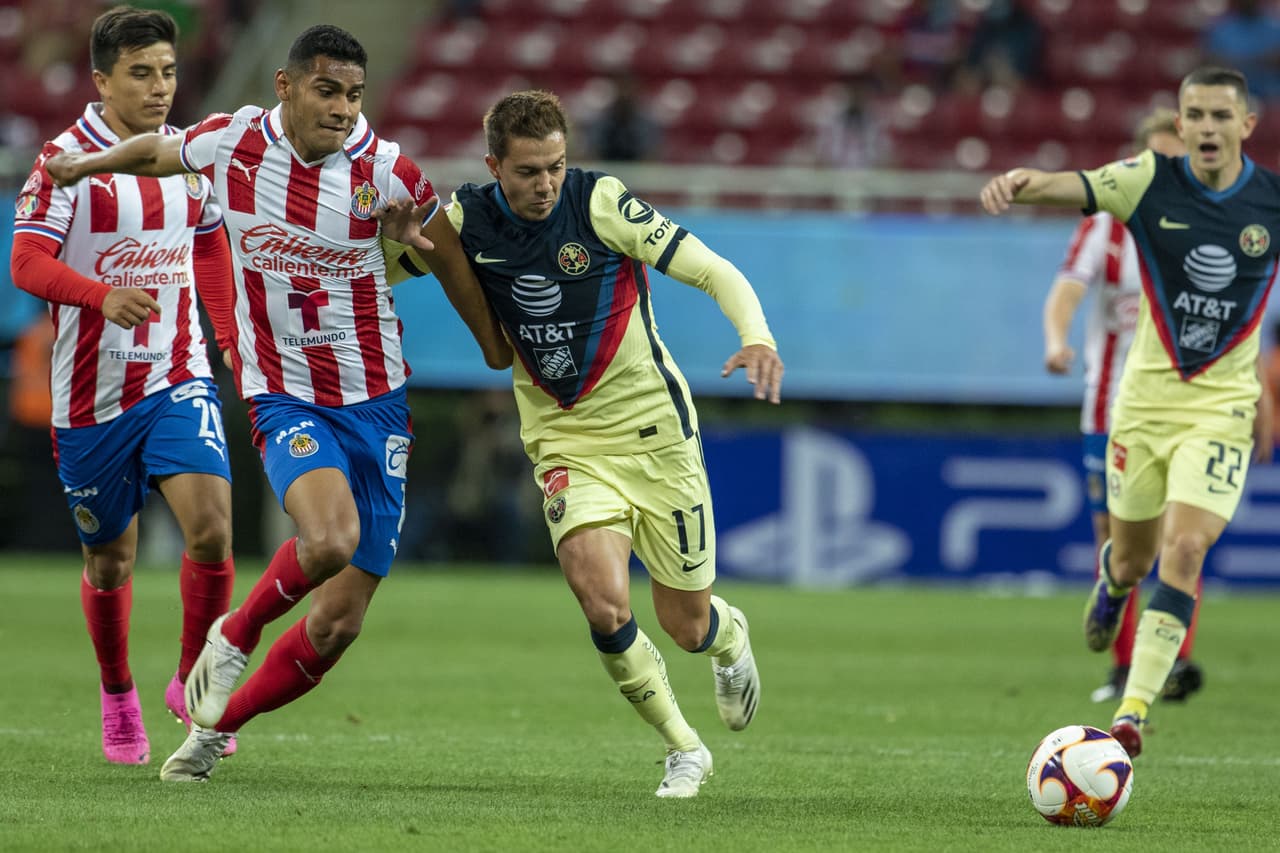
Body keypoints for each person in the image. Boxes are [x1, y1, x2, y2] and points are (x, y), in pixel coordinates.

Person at [44, 23, 511, 782]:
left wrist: (493, 345)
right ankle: (232, 639)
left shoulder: (387, 170)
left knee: (337, 622)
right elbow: (160, 152)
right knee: (325, 540)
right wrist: (84, 164)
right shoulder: (233, 142)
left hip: (378, 399)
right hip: (284, 392)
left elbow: (444, 251)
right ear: (286, 87)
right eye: (327, 91)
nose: (343, 109)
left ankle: (212, 725)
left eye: (355, 95)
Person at [385, 90, 783, 797]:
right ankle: (683, 747)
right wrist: (389, 238)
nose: (545, 184)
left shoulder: (600, 204)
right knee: (601, 600)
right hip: (566, 439)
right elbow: (385, 270)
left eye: (556, 167)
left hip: (655, 435)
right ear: (494, 166)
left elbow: (712, 269)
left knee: (686, 623)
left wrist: (756, 334)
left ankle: (729, 637)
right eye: (529, 171)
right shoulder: (465, 220)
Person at [982, 65, 1280, 757]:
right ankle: (1114, 581)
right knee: (1135, 555)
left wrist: (1268, 389)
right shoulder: (1148, 180)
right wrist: (1023, 181)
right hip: (1142, 404)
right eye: (1195, 115)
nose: (1206, 127)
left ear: (1247, 125)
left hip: (1221, 408)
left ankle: (1132, 711)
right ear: (1180, 124)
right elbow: (1076, 185)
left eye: (1219, 116)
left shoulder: (1271, 202)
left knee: (1186, 547)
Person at [8, 6, 239, 766]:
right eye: (142, 73)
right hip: (91, 397)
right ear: (103, 79)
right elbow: (28, 265)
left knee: (211, 530)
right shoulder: (64, 161)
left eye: (168, 71)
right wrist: (100, 294)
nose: (160, 87)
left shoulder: (187, 158)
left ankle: (190, 682)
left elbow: (208, 241)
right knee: (110, 560)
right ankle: (117, 692)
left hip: (177, 374)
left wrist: (224, 329)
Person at [1041, 108, 1240, 705]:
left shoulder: (1218, 229)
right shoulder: (1106, 226)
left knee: (1186, 537)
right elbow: (1066, 293)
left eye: (1174, 159)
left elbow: (1237, 321)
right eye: (1153, 160)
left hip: (1190, 406)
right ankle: (1124, 665)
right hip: (1113, 407)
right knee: (1122, 549)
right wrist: (1056, 341)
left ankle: (1170, 664)